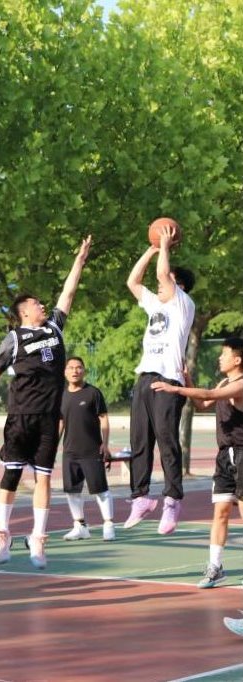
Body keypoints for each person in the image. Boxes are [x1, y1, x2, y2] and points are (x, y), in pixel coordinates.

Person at [0, 235, 92, 569]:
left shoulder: (54, 328)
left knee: (44, 477)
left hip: (48, 417)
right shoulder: (14, 338)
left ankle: (39, 539)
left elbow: (68, 294)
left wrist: (79, 261)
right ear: (24, 311)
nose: (43, 306)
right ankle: (3, 533)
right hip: (20, 416)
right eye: (37, 304)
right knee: (12, 476)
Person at [151, 338, 243, 597]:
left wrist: (175, 389)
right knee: (221, 512)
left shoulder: (240, 384)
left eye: (224, 354)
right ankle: (215, 567)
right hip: (225, 457)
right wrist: (187, 379)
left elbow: (209, 395)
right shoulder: (224, 383)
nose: (220, 358)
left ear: (237, 359)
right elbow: (203, 404)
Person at [124, 223, 196, 534]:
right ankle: (140, 497)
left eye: (167, 282)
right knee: (139, 442)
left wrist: (165, 246)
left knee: (167, 441)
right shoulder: (155, 304)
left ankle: (172, 500)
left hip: (168, 381)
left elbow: (162, 274)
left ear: (180, 286)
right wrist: (152, 249)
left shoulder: (183, 305)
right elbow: (133, 281)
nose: (161, 284)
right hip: (145, 378)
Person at [59, 356, 115, 541]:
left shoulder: (93, 393)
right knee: (72, 491)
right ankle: (80, 527)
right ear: (65, 372)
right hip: (69, 452)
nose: (75, 371)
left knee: (100, 489)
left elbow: (104, 418)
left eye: (78, 367)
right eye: (71, 367)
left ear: (84, 370)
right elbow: (60, 422)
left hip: (92, 450)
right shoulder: (61, 395)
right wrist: (52, 446)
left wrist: (105, 443)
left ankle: (108, 525)